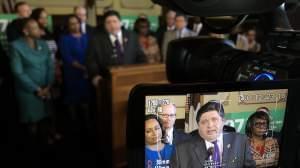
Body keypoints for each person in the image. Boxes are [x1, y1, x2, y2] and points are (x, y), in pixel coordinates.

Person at [171, 101, 255, 168]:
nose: (210, 125)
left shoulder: (240, 141)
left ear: (223, 121)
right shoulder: (181, 150)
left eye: (214, 119)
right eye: (204, 122)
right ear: (198, 126)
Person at [10, 18, 54, 142]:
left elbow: (50, 65)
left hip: (46, 88)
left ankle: (47, 141)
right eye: (35, 27)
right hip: (28, 92)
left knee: (46, 117)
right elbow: (17, 72)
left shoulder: (43, 44)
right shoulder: (15, 46)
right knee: (32, 122)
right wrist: (36, 89)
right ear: (25, 31)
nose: (39, 30)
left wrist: (49, 85)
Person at [86, 10, 146, 87]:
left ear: (120, 23)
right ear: (104, 25)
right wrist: (95, 75)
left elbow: (140, 56)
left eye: (115, 21)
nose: (112, 25)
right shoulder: (96, 39)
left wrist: (142, 71)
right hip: (107, 82)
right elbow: (91, 60)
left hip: (131, 79)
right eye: (108, 22)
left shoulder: (132, 36)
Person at [59, 15, 91, 120]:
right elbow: (67, 57)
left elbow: (91, 54)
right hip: (72, 73)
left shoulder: (87, 37)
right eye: (72, 24)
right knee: (72, 100)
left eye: (77, 23)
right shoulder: (64, 39)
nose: (75, 25)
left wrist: (88, 68)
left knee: (85, 101)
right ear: (68, 26)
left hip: (86, 74)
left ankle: (87, 123)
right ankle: (73, 124)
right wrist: (83, 68)